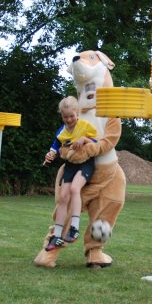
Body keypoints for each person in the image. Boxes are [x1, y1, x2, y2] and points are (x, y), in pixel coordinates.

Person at [43, 96, 98, 249]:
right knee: (62, 197)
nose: (68, 120)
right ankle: (57, 236)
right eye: (65, 117)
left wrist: (84, 139)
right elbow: (55, 145)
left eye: (71, 116)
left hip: (85, 164)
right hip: (70, 165)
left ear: (77, 113)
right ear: (61, 115)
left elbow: (96, 142)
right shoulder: (61, 130)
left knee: (75, 189)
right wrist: (51, 154)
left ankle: (74, 228)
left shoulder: (85, 126)